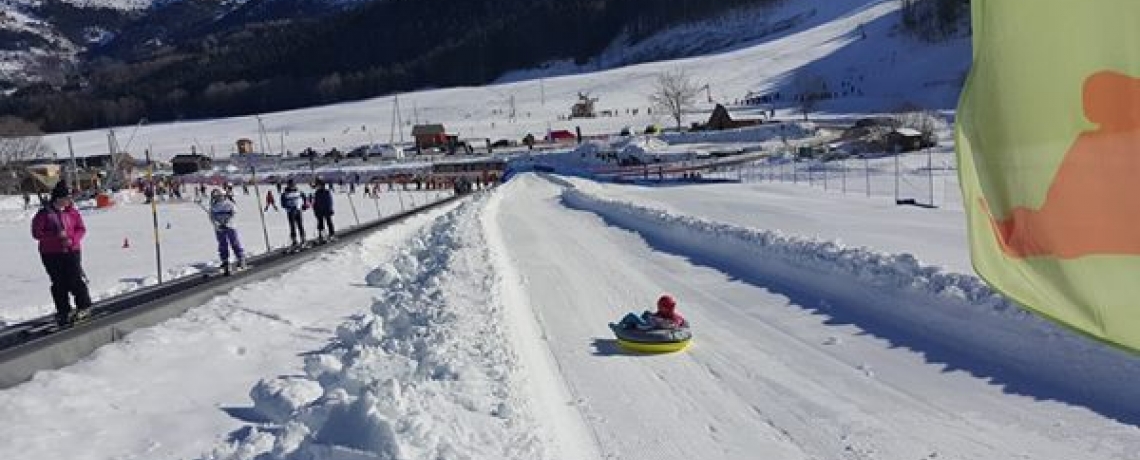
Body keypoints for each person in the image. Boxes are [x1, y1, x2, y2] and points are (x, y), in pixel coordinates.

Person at [31, 181, 93, 327]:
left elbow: (81, 229)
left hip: (72, 250)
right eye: (66, 198)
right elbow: (36, 233)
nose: (69, 201)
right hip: (51, 253)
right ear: (58, 198)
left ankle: (84, 306)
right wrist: (56, 236)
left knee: (75, 279)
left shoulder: (72, 212)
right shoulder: (44, 214)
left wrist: (72, 239)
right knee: (58, 282)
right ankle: (64, 310)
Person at [208, 189, 245, 273]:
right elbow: (211, 217)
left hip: (230, 227)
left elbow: (234, 214)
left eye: (219, 196)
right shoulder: (214, 206)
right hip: (220, 228)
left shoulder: (229, 204)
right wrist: (217, 224)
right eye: (215, 196)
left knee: (234, 242)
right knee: (222, 244)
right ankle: (225, 261)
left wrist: (227, 223)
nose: (217, 198)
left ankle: (240, 258)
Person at [618, 294, 687, 331]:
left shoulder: (673, 318)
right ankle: (631, 326)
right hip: (652, 324)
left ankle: (619, 327)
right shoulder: (664, 313)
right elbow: (657, 316)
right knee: (646, 313)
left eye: (661, 306)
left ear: (666, 307)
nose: (659, 308)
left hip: (649, 326)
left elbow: (673, 323)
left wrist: (656, 319)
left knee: (631, 316)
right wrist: (653, 316)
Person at [281, 179, 308, 248]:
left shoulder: (298, 191)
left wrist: (305, 204)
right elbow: (283, 204)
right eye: (291, 185)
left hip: (298, 210)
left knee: (300, 225)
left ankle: (303, 239)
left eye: (293, 185)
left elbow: (304, 197)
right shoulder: (285, 193)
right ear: (288, 185)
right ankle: (294, 240)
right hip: (291, 212)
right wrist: (289, 207)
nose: (292, 186)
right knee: (292, 226)